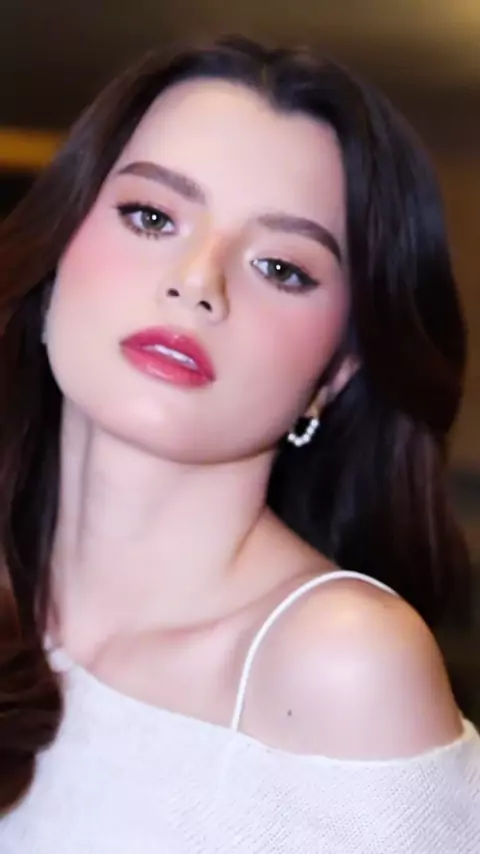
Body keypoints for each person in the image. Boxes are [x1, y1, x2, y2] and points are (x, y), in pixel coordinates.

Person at [0, 34, 479, 853]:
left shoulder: (344, 665)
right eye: (152, 217)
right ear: (55, 259)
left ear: (337, 371)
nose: (198, 281)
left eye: (281, 267)